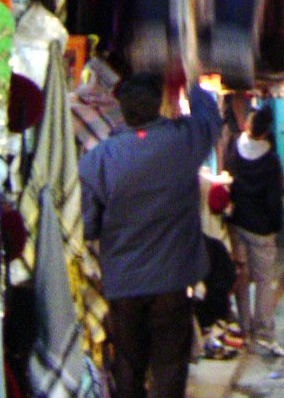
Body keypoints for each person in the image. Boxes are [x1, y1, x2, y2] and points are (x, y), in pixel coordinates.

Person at [78, 72, 222, 398]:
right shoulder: (182, 141)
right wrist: (193, 81)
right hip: (172, 281)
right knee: (170, 365)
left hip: (123, 284)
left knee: (128, 365)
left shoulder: (99, 159)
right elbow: (211, 120)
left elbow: (88, 226)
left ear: (122, 109)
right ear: (160, 104)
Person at [225, 104, 284, 358]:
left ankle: (243, 327)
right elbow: (275, 199)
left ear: (248, 126)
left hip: (237, 223)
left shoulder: (233, 148)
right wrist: (275, 225)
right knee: (263, 282)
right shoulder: (271, 160)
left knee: (241, 277)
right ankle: (265, 333)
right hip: (261, 229)